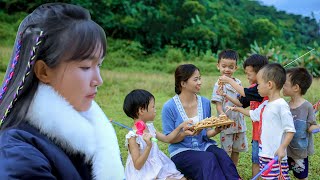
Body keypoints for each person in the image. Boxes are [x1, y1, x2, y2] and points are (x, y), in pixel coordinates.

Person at [0, 3, 124, 179]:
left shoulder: (97, 132)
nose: (99, 80)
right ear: (43, 71)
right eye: (86, 66)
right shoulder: (17, 152)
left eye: (99, 65)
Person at [162, 64, 241, 180]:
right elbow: (169, 138)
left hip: (203, 146)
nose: (200, 82)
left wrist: (217, 129)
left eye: (200, 78)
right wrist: (184, 133)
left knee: (222, 155)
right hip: (181, 152)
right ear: (183, 83)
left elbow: (207, 133)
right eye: (195, 79)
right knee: (208, 159)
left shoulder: (204, 102)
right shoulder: (169, 107)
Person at [229, 63, 296, 179]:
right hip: (264, 152)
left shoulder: (281, 106)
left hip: (276, 155)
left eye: (258, 84)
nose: (257, 87)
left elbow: (290, 130)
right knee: (267, 177)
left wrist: (282, 148)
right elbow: (253, 114)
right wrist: (237, 109)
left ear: (269, 84)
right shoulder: (265, 104)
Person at [123, 89, 191, 180]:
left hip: (158, 166)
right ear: (141, 110)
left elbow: (166, 139)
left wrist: (181, 128)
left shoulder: (149, 127)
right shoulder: (133, 137)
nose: (155, 110)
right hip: (144, 173)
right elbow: (137, 165)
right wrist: (148, 146)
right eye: (153, 107)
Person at [219, 54, 268, 177]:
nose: (247, 77)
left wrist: (229, 80)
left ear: (260, 73)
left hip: (267, 134)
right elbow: (242, 101)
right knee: (255, 160)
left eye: (249, 74)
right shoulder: (254, 88)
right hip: (257, 134)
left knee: (266, 161)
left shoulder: (262, 89)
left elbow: (244, 92)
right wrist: (226, 95)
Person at [211, 49, 248, 166]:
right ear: (218, 66)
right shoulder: (219, 84)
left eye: (231, 67)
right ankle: (226, 171)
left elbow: (242, 99)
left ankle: (234, 172)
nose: (227, 69)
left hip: (239, 122)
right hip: (226, 122)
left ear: (235, 68)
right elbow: (218, 103)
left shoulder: (238, 82)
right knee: (226, 150)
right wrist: (222, 114)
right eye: (224, 66)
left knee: (236, 150)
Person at [283, 67, 319, 180]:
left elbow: (310, 127)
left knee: (301, 176)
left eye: (284, 83)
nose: (281, 85)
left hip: (299, 151)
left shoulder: (307, 106)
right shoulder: (284, 105)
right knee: (282, 174)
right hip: (284, 149)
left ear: (296, 87)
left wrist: (317, 127)